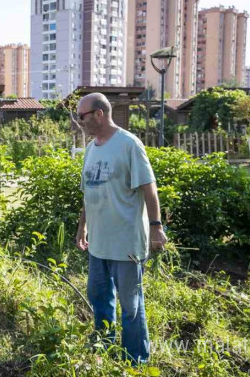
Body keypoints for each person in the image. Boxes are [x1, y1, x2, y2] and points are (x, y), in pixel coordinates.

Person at [73, 92, 168, 364]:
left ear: (99, 114)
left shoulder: (129, 145)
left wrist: (156, 226)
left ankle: (135, 359)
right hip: (99, 243)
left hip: (126, 242)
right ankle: (103, 346)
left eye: (82, 116)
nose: (79, 121)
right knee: (99, 296)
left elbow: (149, 189)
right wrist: (83, 227)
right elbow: (88, 192)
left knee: (131, 306)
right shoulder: (91, 149)